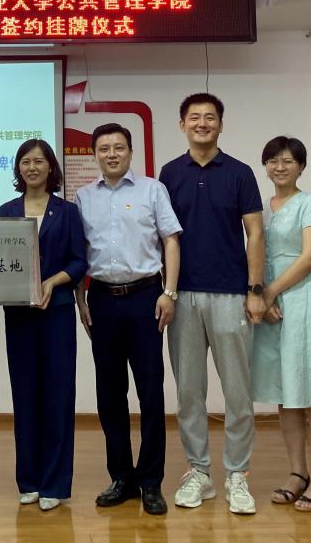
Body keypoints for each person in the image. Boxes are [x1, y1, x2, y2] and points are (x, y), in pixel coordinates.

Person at [158, 94, 264, 515]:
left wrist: (255, 289)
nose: (202, 123)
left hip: (231, 294)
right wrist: (167, 290)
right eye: (194, 117)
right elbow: (164, 237)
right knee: (189, 391)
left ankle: (237, 474)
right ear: (182, 124)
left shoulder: (240, 173)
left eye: (210, 117)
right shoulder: (169, 173)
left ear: (221, 124)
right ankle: (199, 472)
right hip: (182, 295)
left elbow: (255, 233)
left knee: (238, 392)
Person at [76, 124, 181, 515]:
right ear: (95, 155)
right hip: (102, 299)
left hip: (145, 298)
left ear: (130, 152)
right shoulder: (84, 197)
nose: (112, 154)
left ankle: (151, 481)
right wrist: (80, 298)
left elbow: (171, 240)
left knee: (150, 391)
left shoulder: (153, 190)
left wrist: (169, 292)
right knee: (110, 392)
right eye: (104, 149)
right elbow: (80, 251)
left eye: (118, 147)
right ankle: (121, 477)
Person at [250, 136, 311, 512]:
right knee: (285, 393)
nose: (280, 167)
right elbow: (253, 250)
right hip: (268, 303)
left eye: (288, 161)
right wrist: (259, 295)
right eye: (273, 160)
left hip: (301, 300)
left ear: (301, 166)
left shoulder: (310, 202)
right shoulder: (260, 208)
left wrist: (270, 292)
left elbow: (310, 257)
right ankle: (297, 472)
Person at [0, 139, 88, 512]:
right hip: (19, 314)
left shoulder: (67, 211)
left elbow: (80, 261)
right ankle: (30, 480)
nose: (32, 167)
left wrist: (53, 281)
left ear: (51, 167)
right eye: (25, 161)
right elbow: (0, 260)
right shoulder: (7, 210)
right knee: (25, 394)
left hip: (57, 311)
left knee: (58, 394)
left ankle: (55, 482)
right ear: (18, 168)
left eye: (38, 161)